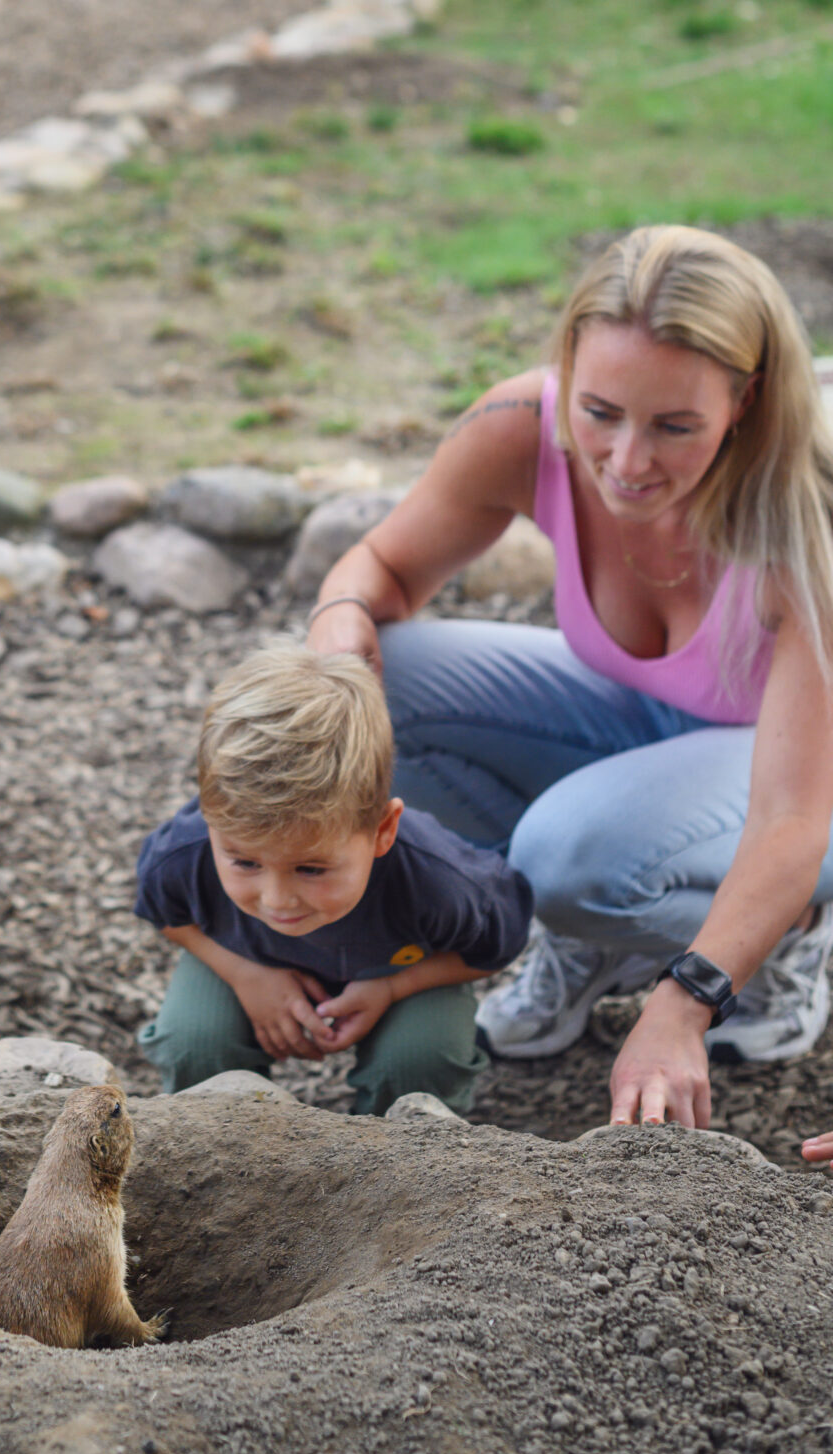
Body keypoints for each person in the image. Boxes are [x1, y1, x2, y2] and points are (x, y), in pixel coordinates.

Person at [306, 223, 833, 1131]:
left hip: (811, 791)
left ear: (745, 399)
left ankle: (789, 937)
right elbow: (380, 568)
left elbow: (791, 817)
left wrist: (685, 1004)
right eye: (600, 412)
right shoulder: (520, 426)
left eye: (675, 426)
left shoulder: (806, 515)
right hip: (657, 730)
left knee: (568, 859)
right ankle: (601, 928)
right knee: (369, 692)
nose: (626, 462)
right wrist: (337, 623)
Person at [134, 643, 532, 1115]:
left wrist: (393, 988)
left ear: (382, 831)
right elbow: (165, 912)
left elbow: (494, 948)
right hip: (241, 960)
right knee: (195, 1042)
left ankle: (398, 1154)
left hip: (401, 973)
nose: (277, 900)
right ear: (209, 818)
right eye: (244, 863)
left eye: (311, 869)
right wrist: (243, 974)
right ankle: (214, 1141)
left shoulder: (441, 882)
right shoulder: (184, 854)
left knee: (419, 1061)